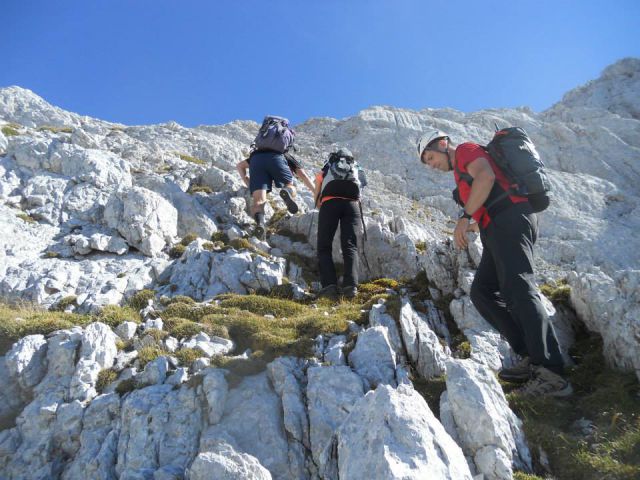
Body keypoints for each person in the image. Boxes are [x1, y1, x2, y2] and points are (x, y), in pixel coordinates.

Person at [417, 130, 572, 397]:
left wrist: (464, 218)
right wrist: (473, 225)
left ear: (443, 144)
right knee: (482, 291)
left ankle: (551, 371)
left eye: (430, 157)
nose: (431, 165)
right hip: (497, 226)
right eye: (427, 163)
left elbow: (486, 177)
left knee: (519, 287)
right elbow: (489, 197)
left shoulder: (465, 150)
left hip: (510, 219)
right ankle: (530, 356)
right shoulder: (460, 170)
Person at [313, 148, 367, 299]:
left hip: (330, 202)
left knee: (324, 245)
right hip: (352, 204)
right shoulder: (356, 166)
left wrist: (318, 201)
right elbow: (363, 184)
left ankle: (329, 286)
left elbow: (318, 180)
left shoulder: (329, 165)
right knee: (350, 245)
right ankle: (351, 287)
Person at [236, 149, 314, 241]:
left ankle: (260, 224)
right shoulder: (284, 153)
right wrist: (316, 191)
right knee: (290, 185)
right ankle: (287, 190)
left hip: (257, 161)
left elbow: (239, 166)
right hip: (277, 160)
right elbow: (303, 175)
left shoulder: (257, 154)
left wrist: (249, 184)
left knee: (258, 201)